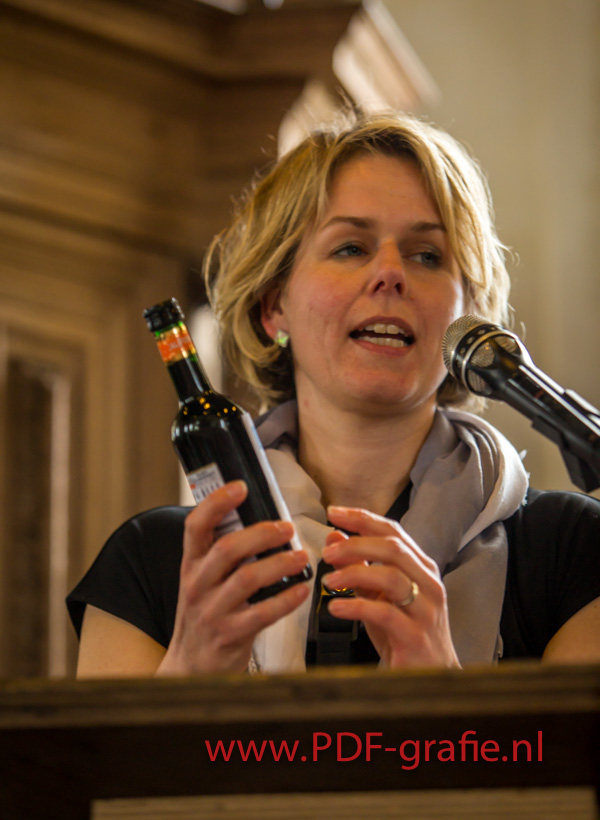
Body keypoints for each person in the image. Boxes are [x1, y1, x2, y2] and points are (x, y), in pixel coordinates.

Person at [67, 111, 600, 677]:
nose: (390, 273)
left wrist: (441, 690)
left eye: (427, 255)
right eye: (350, 248)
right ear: (273, 307)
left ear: (466, 313)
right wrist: (189, 676)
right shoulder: (152, 563)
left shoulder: (575, 552)